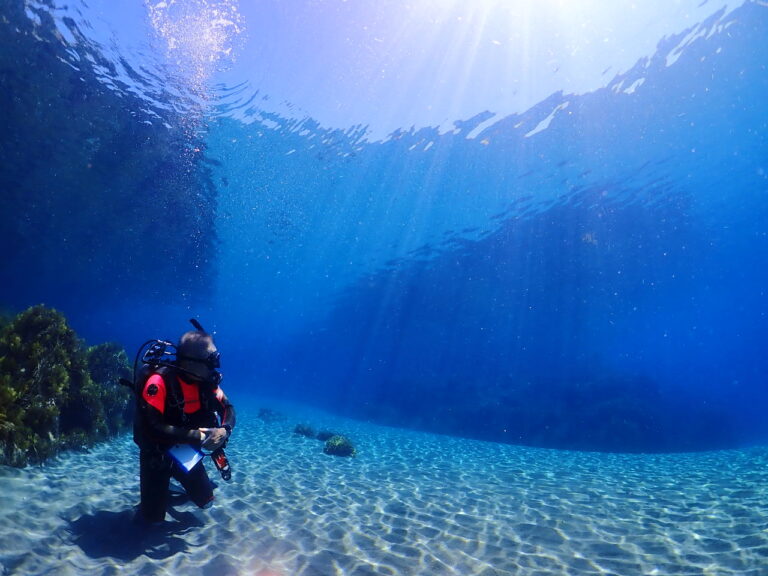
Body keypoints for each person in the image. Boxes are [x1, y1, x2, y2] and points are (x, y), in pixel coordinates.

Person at [133, 327, 236, 524]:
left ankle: (174, 480)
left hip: (184, 450)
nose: (215, 368)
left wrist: (225, 430)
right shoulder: (158, 382)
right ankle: (161, 485)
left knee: (207, 502)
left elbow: (228, 408)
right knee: (152, 521)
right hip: (156, 453)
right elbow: (152, 428)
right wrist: (200, 436)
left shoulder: (207, 383)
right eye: (211, 362)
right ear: (190, 363)